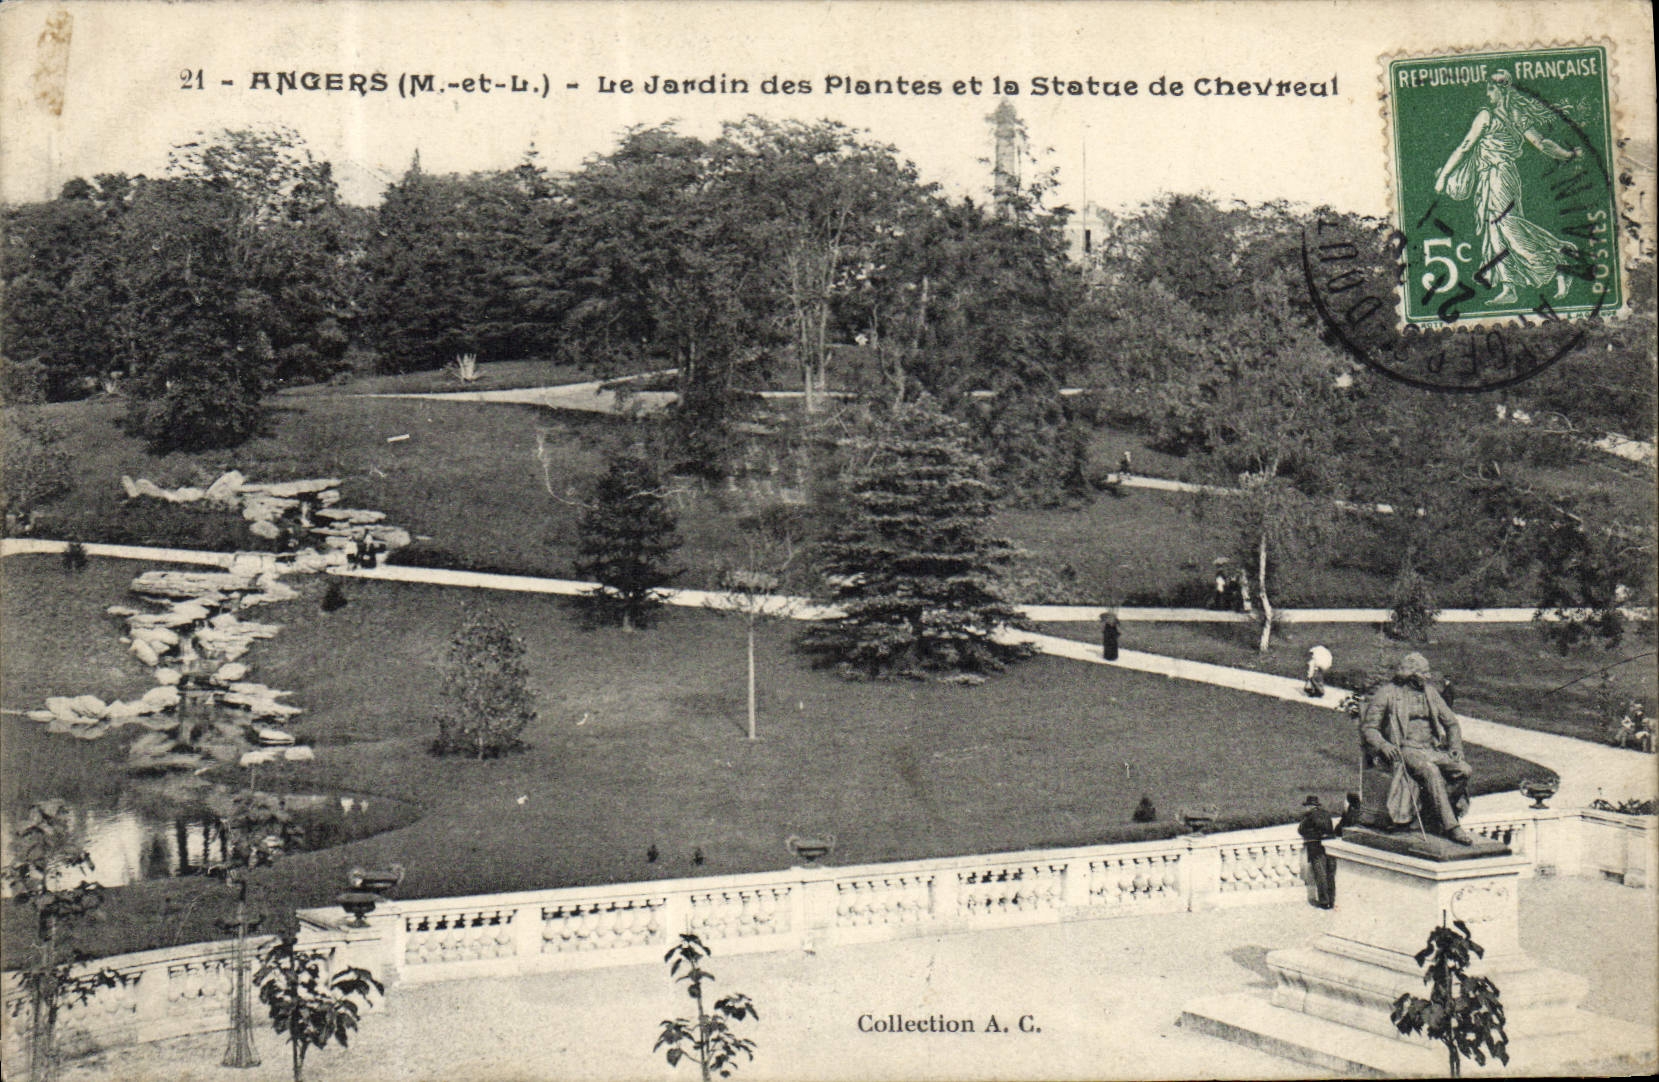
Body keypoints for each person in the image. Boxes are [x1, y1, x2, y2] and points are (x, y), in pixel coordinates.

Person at [1434, 70, 1583, 305]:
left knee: (1508, 227)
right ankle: (1509, 286)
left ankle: (1559, 258)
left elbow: (1465, 147)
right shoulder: (1517, 114)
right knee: (1496, 232)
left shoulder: (1487, 115)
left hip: (1498, 176)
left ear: (1501, 90)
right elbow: (1542, 144)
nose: (1488, 94)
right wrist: (1568, 154)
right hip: (1498, 177)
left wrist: (1443, 175)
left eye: (1491, 89)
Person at [1362, 652, 1475, 844]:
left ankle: (1431, 812)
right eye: (1424, 673)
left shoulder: (1430, 693)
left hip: (1431, 748)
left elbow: (1452, 723)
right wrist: (1383, 744)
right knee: (1430, 771)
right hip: (1406, 749)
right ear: (1411, 674)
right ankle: (1451, 827)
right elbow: (1369, 728)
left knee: (1464, 770)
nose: (1428, 676)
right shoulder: (1388, 693)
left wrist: (1456, 747)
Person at [1297, 795, 1335, 909]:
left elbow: (1301, 830)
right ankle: (1331, 899)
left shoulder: (1309, 816)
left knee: (1320, 874)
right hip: (1328, 846)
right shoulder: (1326, 814)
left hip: (1315, 847)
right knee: (1329, 874)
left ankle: (1324, 901)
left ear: (1309, 806)